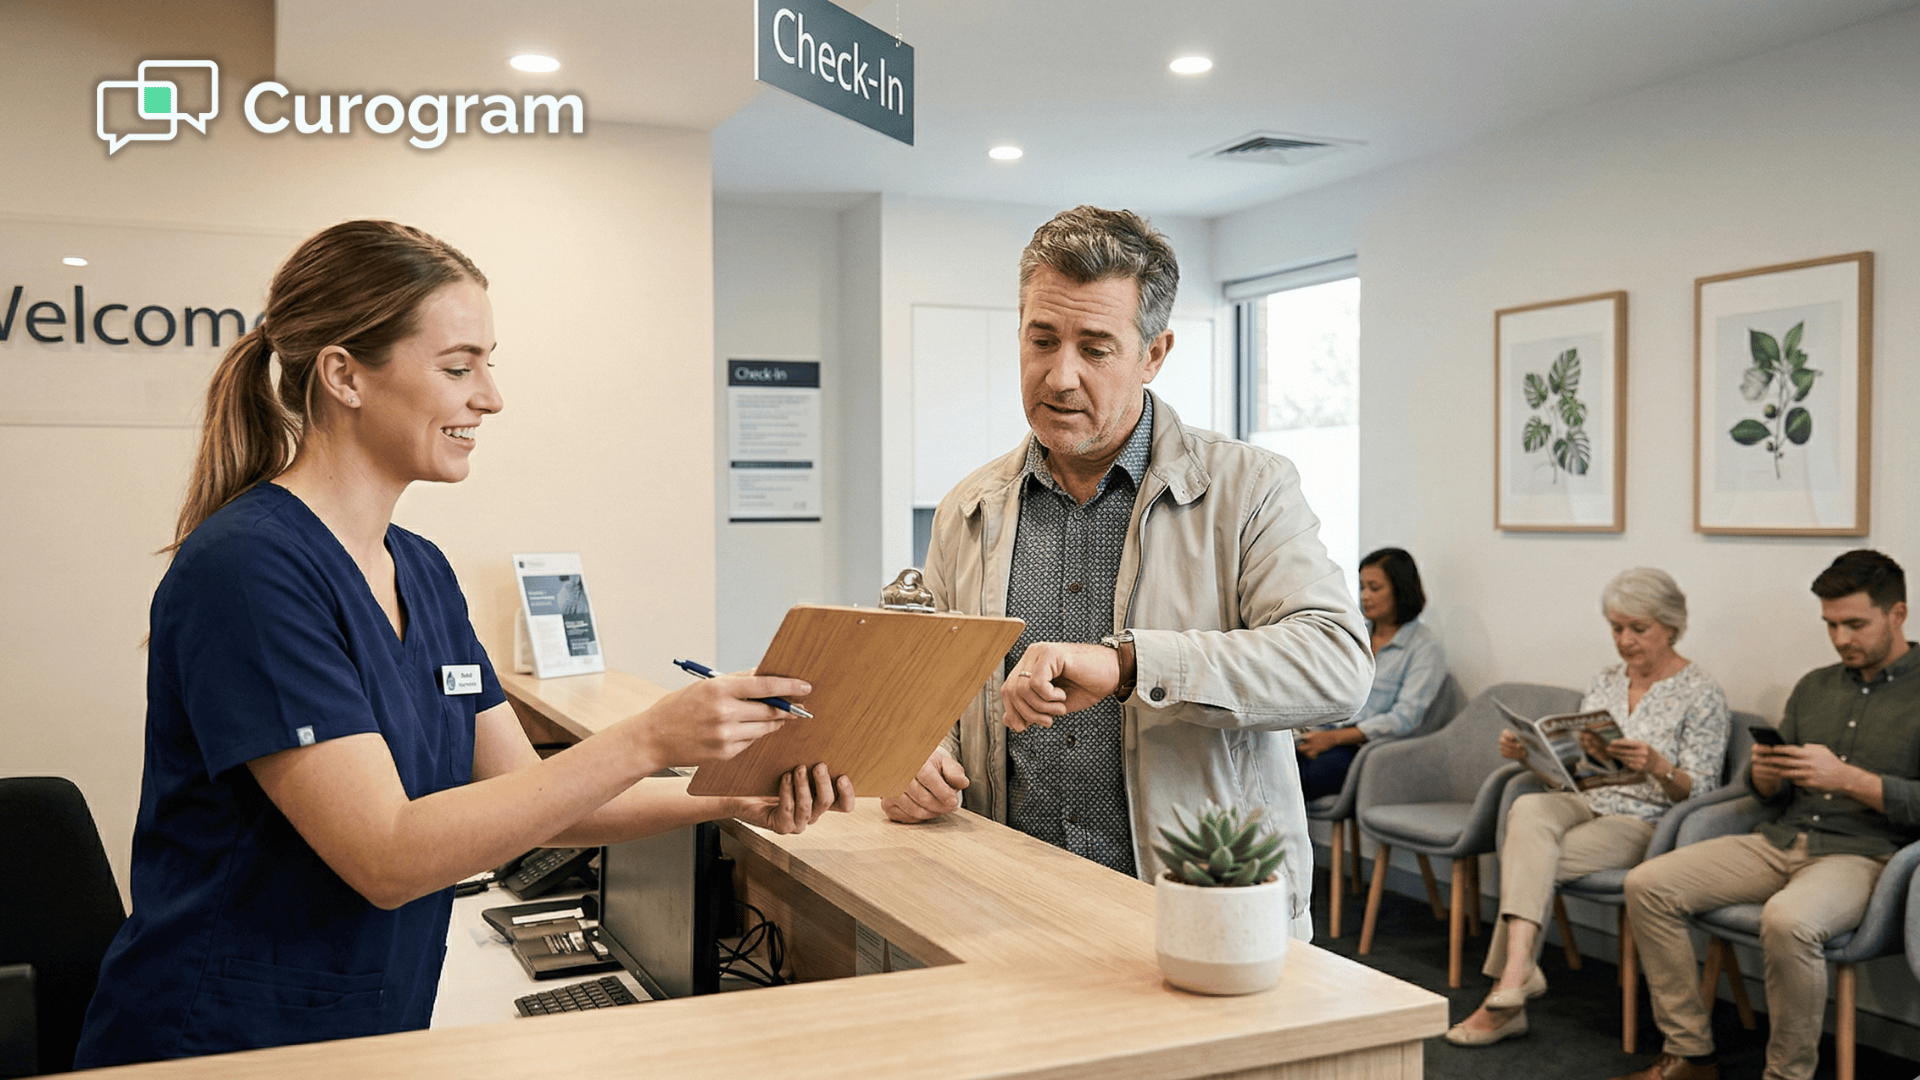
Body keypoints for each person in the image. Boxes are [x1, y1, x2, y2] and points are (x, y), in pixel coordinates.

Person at [75, 221, 854, 1066]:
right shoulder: (249, 570)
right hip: (226, 1041)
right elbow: (388, 855)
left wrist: (731, 799)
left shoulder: (420, 569)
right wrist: (651, 736)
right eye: (458, 367)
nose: (490, 396)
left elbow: (539, 799)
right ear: (344, 375)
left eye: (488, 363)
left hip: (366, 1029)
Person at [878, 205, 1373, 938]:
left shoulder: (1250, 490)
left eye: (1096, 347)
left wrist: (1134, 664)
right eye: (1041, 340)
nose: (1060, 375)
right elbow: (930, 691)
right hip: (1006, 905)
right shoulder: (968, 509)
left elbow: (1338, 668)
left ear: (1154, 353)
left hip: (1195, 912)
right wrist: (914, 754)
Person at [1613, 550, 1920, 1080]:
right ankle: (1691, 1054)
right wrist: (1767, 776)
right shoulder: (1815, 686)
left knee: (1788, 921)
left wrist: (1850, 779)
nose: (1841, 639)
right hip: (1779, 839)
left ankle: (1786, 1076)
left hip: (1863, 856)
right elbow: (1765, 793)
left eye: (1855, 624)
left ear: (1898, 615)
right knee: (1647, 884)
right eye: (1830, 625)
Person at [1447, 567, 1728, 1047]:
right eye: (1617, 628)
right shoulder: (1605, 681)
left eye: (1638, 629)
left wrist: (1658, 765)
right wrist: (1531, 756)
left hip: (1641, 820)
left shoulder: (1702, 693)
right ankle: (1517, 978)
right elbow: (1568, 773)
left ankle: (1507, 990)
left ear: (1671, 626)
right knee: (1529, 812)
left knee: (1526, 860)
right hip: (1580, 799)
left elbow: (1703, 797)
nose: (1625, 641)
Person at [1295, 547, 1449, 800]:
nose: (1365, 596)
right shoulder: (1355, 635)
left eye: (1374, 588)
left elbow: (1404, 719)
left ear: (1400, 590)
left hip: (1370, 750)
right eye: (1362, 587)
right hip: (1327, 733)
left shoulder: (1424, 647)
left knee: (1302, 776)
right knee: (1269, 760)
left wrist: (1333, 738)